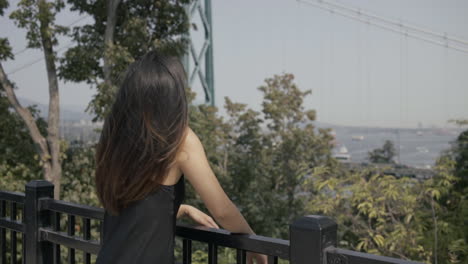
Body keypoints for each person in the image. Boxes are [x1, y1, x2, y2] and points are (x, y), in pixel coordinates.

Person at [94, 50, 267, 264]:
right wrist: (252, 239)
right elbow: (222, 211)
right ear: (171, 96)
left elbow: (135, 210)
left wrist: (180, 208)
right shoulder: (179, 140)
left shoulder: (115, 136)